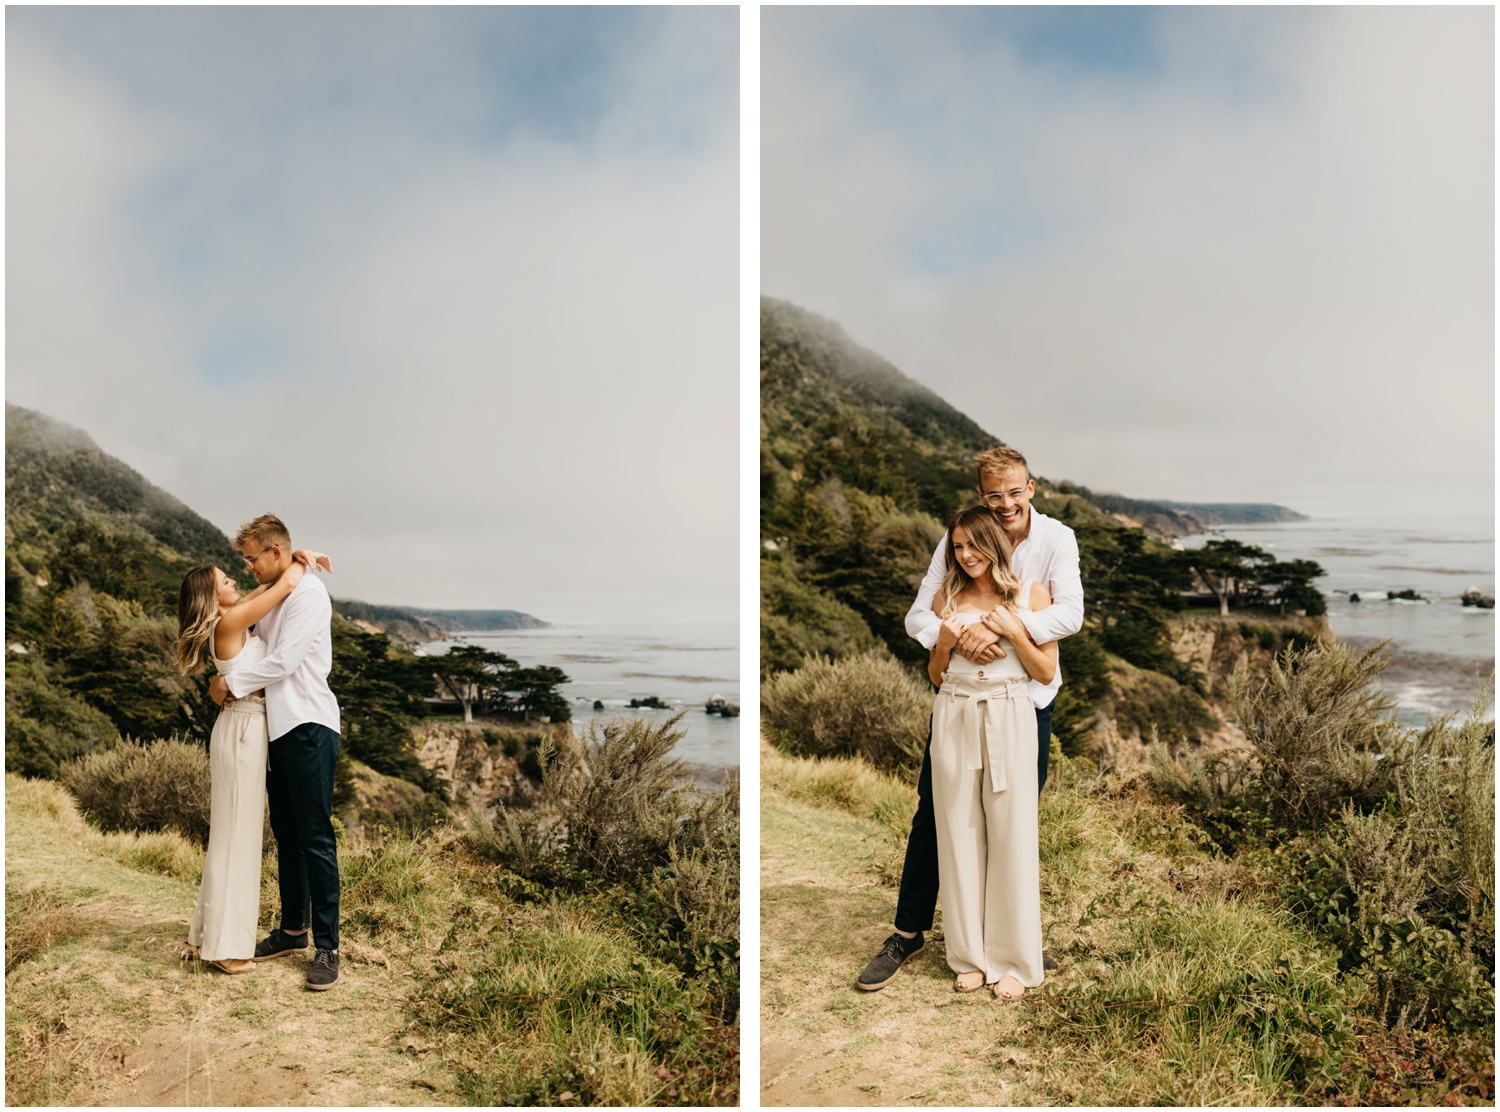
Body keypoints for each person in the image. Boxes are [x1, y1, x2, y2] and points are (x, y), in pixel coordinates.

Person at [857, 446, 1084, 991]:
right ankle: (908, 934)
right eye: (992, 495)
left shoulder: (1057, 539)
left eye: (1013, 492)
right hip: (961, 699)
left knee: (1014, 821)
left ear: (1031, 488)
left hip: (1027, 699)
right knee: (936, 815)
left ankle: (1014, 939)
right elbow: (921, 614)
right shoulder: (962, 539)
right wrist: (957, 635)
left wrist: (1002, 626)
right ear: (980, 497)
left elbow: (1070, 613)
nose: (1004, 504)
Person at [176, 547, 329, 975]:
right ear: (212, 598)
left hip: (244, 729)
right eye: (225, 581)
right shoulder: (229, 620)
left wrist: (291, 558)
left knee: (231, 833)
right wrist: (301, 559)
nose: (235, 582)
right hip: (243, 730)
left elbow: (270, 588)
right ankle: (224, 948)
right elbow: (282, 585)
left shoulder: (234, 614)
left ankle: (207, 934)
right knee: (238, 838)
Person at [209, 514, 343, 991]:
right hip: (279, 731)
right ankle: (292, 932)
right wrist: (297, 562)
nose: (246, 567)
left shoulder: (308, 594)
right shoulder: (281, 589)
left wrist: (230, 686)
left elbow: (283, 660)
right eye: (243, 559)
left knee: (315, 838)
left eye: (251, 558)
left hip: (309, 724)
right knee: (287, 834)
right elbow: (247, 625)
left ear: (275, 552)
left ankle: (328, 946)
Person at [926, 506, 1056, 999]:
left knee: (1011, 833)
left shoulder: (1031, 594)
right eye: (957, 546)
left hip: (1008, 713)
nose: (965, 554)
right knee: (958, 832)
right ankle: (969, 957)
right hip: (955, 710)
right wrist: (943, 641)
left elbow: (1044, 673)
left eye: (973, 544)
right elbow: (936, 675)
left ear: (995, 544)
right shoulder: (948, 597)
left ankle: (1016, 961)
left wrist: (1014, 630)